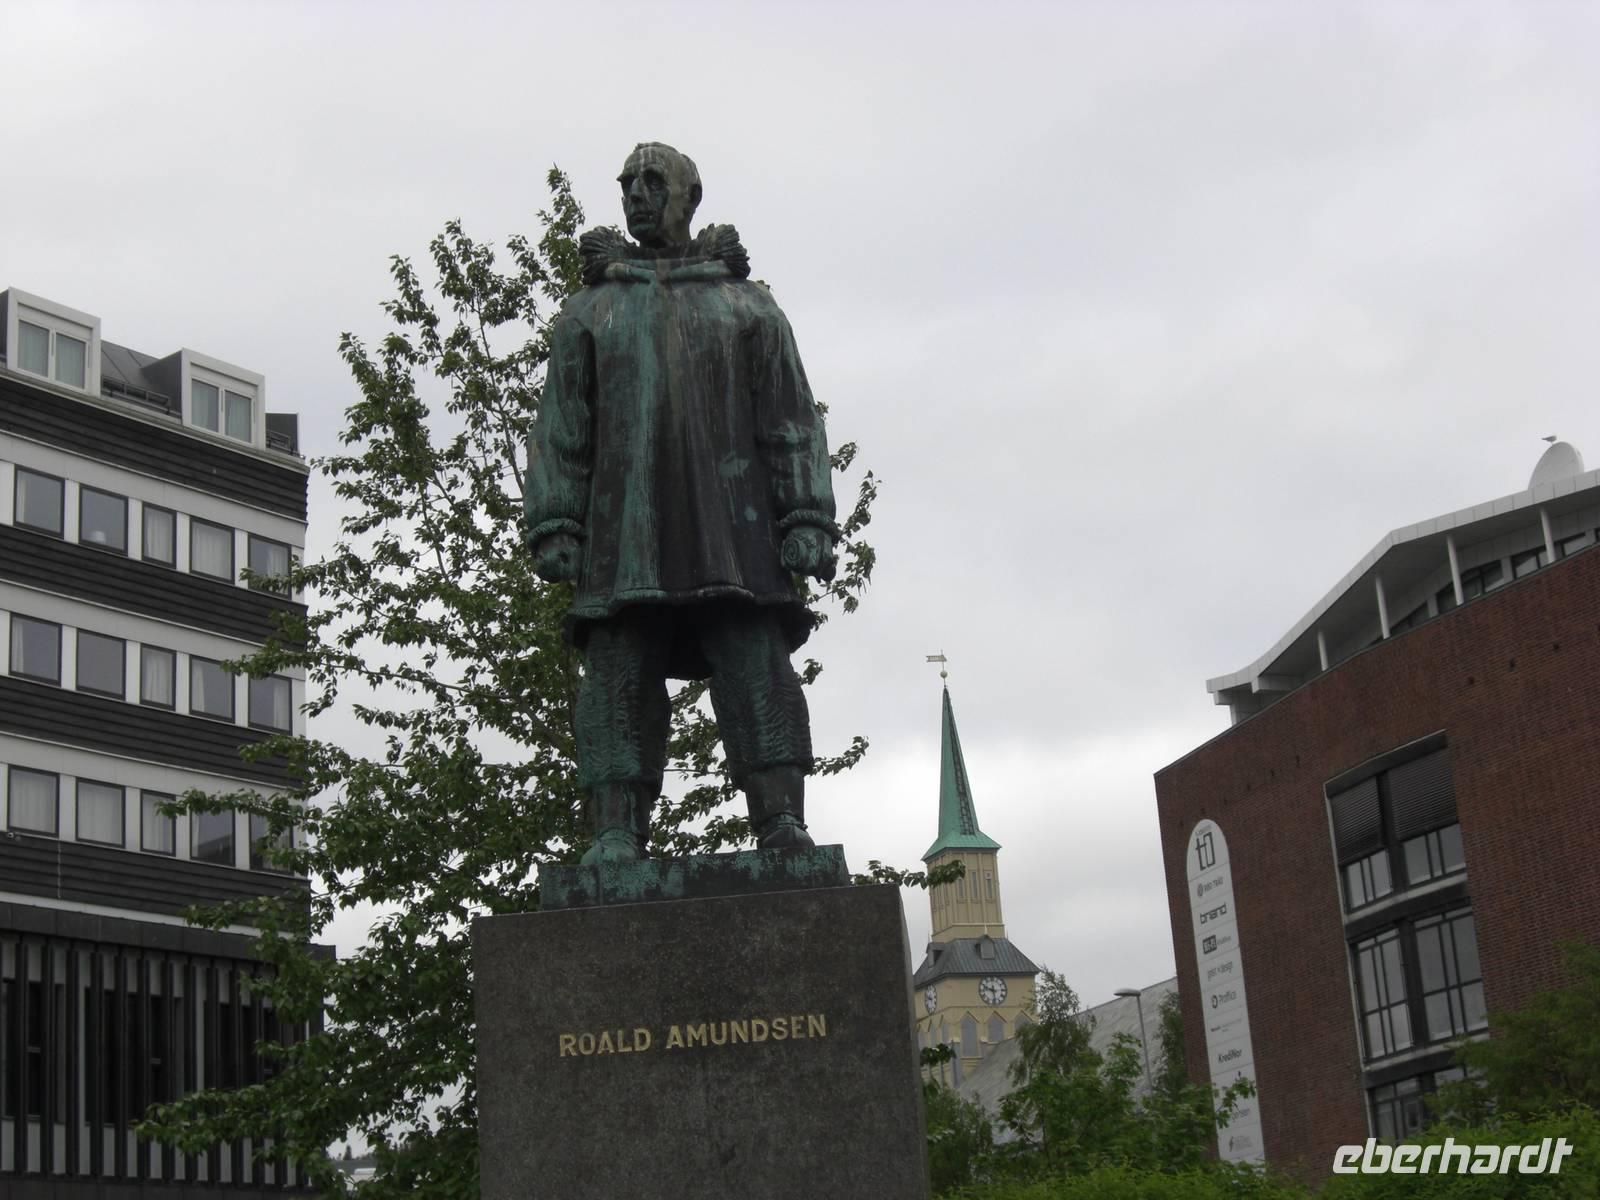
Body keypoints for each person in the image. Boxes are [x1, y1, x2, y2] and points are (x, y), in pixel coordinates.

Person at [524, 142, 838, 865]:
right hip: (624, 532)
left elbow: (790, 419)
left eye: (652, 182)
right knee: (617, 673)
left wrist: (805, 515)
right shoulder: (591, 311)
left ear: (689, 197)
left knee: (755, 664)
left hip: (733, 528)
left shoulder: (747, 305)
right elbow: (562, 426)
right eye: (627, 184)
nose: (636, 194)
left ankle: (781, 818)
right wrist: (556, 519)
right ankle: (615, 826)